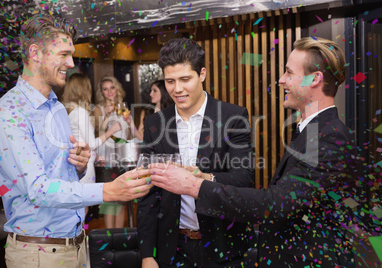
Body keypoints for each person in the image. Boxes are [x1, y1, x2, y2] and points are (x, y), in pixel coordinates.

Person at [149, 37, 361, 267]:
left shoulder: (329, 136)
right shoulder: (310, 131)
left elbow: (276, 203)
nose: (281, 80)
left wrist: (193, 185)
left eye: (289, 73)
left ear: (315, 79)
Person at [0, 13, 151, 268]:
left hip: (75, 244)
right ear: (35, 52)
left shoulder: (57, 108)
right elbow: (38, 190)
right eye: (63, 54)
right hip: (38, 253)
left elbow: (59, 174)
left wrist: (79, 164)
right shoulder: (7, 114)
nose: (71, 63)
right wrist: (108, 190)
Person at [137, 38, 255, 268]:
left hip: (223, 246)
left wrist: (204, 178)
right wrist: (147, 254)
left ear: (202, 74)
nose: (177, 89)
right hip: (172, 248)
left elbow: (244, 177)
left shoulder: (233, 117)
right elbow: (148, 195)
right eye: (170, 81)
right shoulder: (155, 124)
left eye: (185, 79)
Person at [62, 73, 122, 215]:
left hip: (81, 162)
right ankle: (81, 237)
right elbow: (91, 143)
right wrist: (111, 131)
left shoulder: (71, 112)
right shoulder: (81, 112)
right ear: (84, 89)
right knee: (84, 207)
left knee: (80, 206)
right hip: (85, 165)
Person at [94, 76, 129, 229]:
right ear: (101, 92)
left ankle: (119, 238)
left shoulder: (123, 107)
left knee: (121, 200)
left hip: (122, 156)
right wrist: (106, 116)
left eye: (112, 88)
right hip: (106, 157)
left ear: (117, 89)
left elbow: (128, 134)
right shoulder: (98, 109)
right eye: (105, 89)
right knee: (109, 199)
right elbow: (97, 134)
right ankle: (109, 240)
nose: (109, 92)